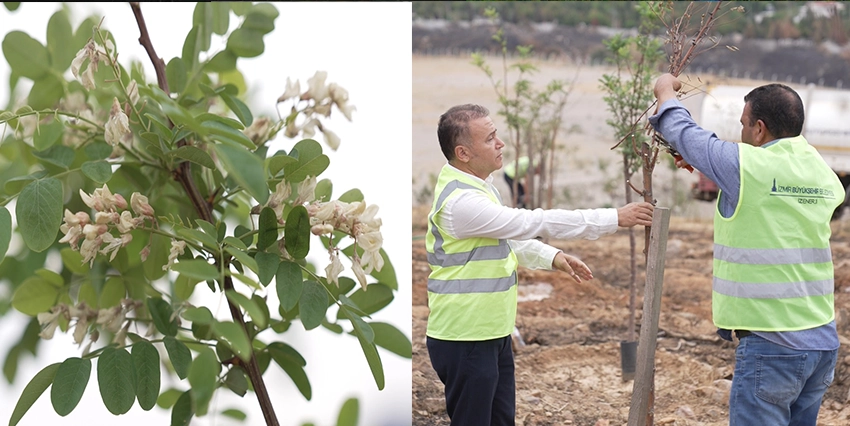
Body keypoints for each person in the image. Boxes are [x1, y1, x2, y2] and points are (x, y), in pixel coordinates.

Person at [425, 103, 655, 426]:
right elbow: (532, 222)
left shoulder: (480, 187)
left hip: (491, 332)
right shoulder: (461, 203)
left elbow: (507, 239)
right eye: (490, 138)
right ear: (463, 153)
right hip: (465, 338)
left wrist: (553, 257)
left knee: (501, 419)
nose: (501, 143)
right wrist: (613, 218)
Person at [650, 74, 843, 426]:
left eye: (742, 124)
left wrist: (664, 91)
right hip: (821, 341)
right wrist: (721, 172)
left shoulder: (747, 167)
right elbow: (772, 204)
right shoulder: (819, 169)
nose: (740, 132)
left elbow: (688, 134)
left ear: (759, 128)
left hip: (773, 346)